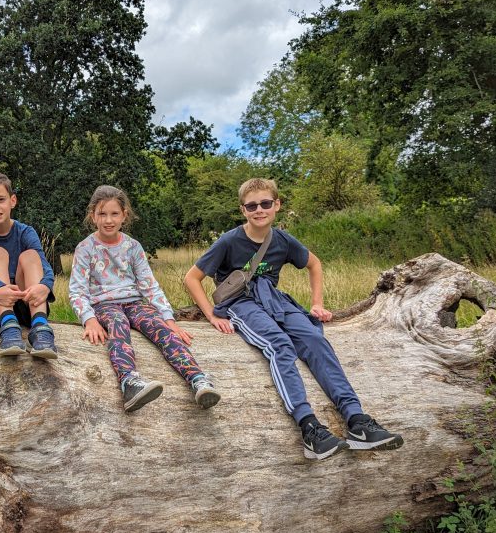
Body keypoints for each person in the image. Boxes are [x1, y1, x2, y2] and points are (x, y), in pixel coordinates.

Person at [184, 178, 403, 460]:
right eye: (252, 206)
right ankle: (309, 427)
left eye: (265, 203)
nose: (259, 210)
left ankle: (357, 420)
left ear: (277, 205)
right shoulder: (229, 240)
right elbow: (192, 278)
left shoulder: (283, 240)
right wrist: (212, 314)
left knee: (315, 338)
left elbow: (314, 263)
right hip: (242, 303)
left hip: (275, 300)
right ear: (243, 210)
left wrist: (317, 303)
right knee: (279, 345)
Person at [70, 185, 221, 413]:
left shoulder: (132, 247)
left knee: (160, 328)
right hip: (104, 305)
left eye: (114, 214)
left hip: (135, 302)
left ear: (124, 215)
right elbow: (77, 290)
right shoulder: (85, 248)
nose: (108, 220)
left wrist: (169, 319)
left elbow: (149, 286)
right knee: (118, 325)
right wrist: (89, 319)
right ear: (93, 216)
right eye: (102, 214)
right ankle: (129, 382)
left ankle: (198, 380)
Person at [0, 172, 58, 359]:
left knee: (31, 255)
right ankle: (9, 326)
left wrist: (44, 286)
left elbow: (45, 265)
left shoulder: (26, 231)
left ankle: (40, 328)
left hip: (28, 305)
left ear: (12, 200)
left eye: (1, 200)